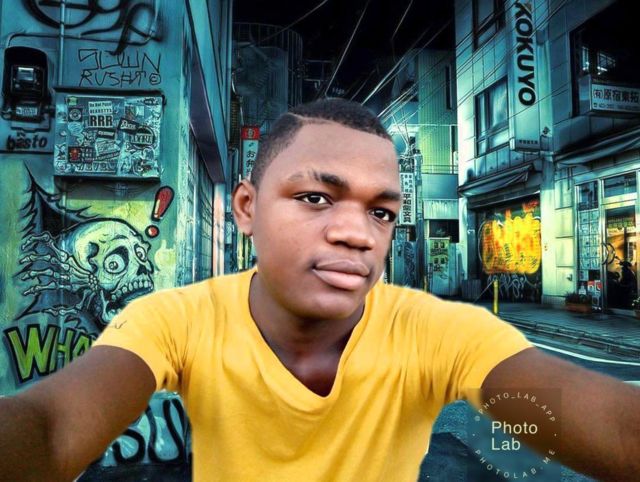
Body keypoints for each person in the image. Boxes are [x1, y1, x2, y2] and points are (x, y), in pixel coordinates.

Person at [1, 98, 638, 482]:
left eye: (381, 212)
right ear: (246, 208)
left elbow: (607, 426)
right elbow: (52, 428)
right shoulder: (177, 321)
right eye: (315, 198)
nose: (357, 234)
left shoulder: (439, 332)